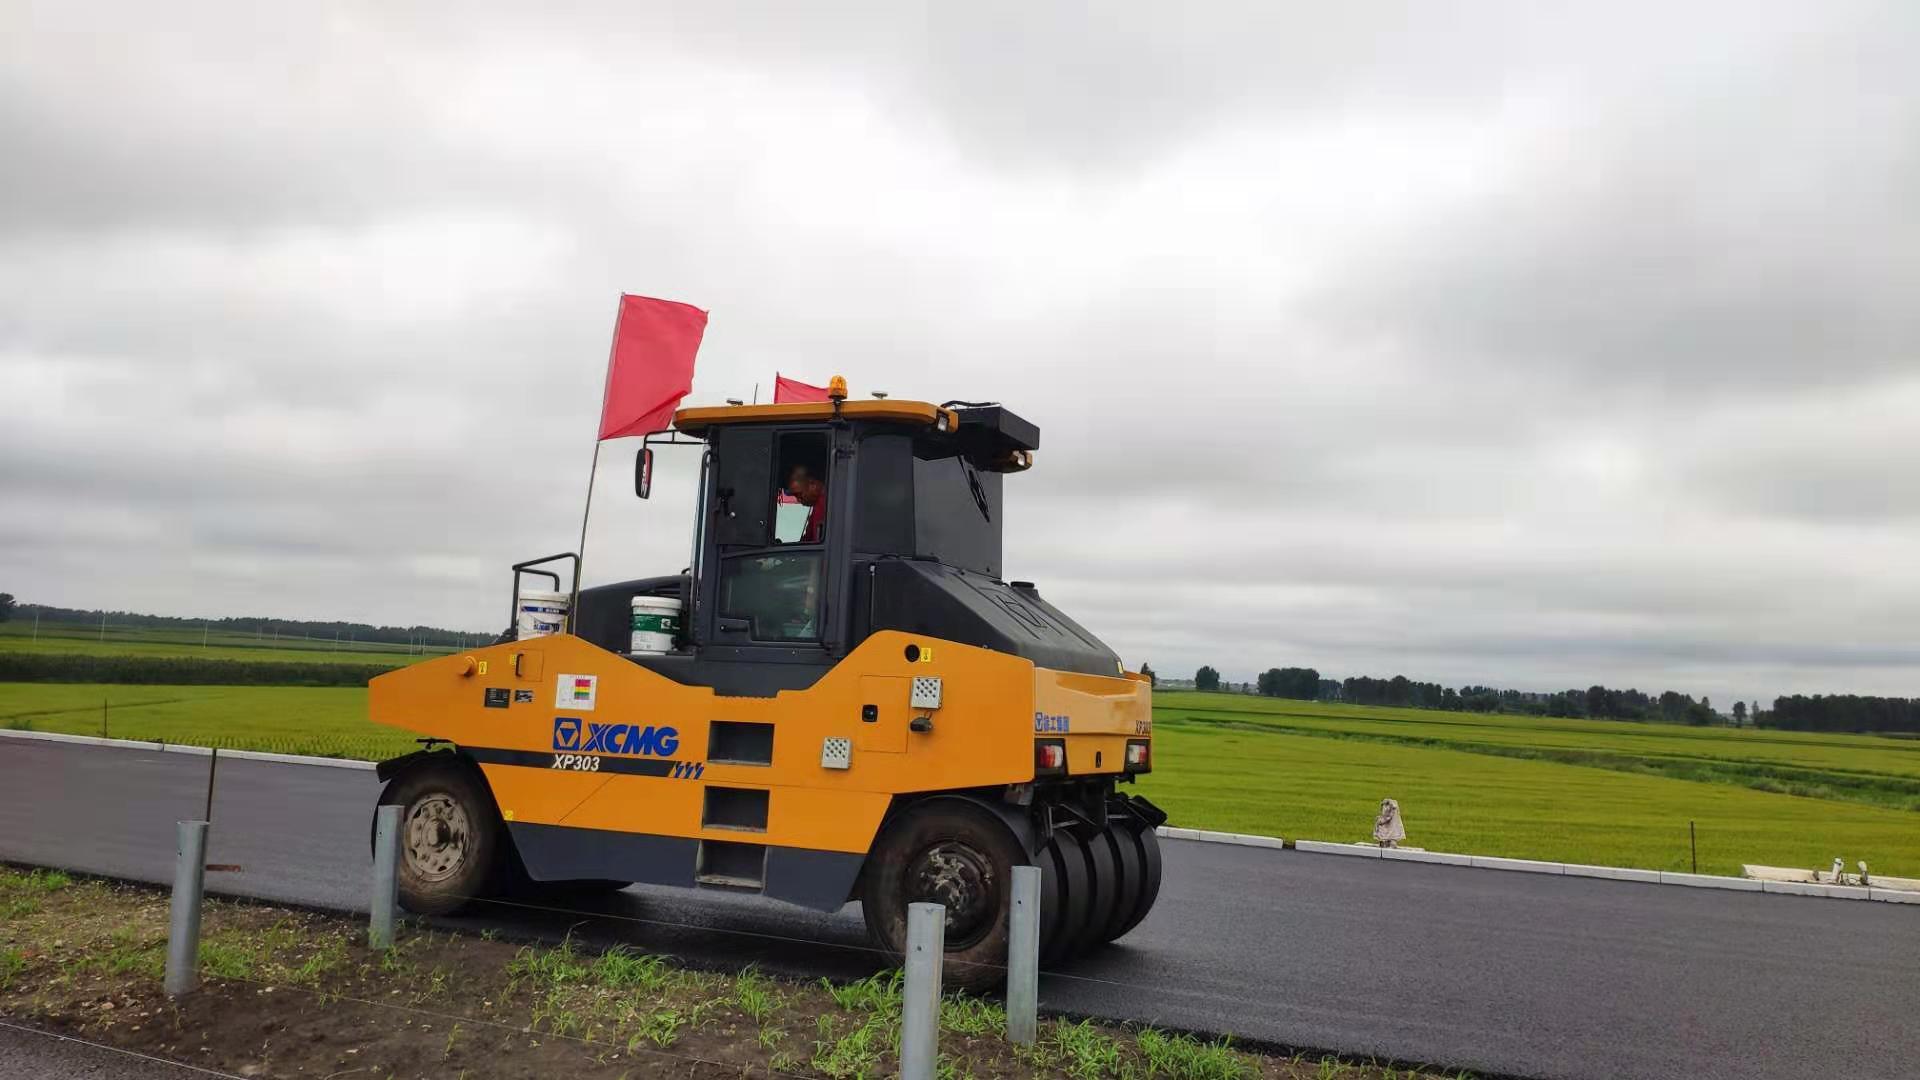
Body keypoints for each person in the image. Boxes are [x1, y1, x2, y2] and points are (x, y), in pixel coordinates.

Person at [785, 462, 828, 543]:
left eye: (799, 495)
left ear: (813, 484)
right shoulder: (816, 506)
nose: (798, 500)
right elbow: (807, 540)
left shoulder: (827, 505)